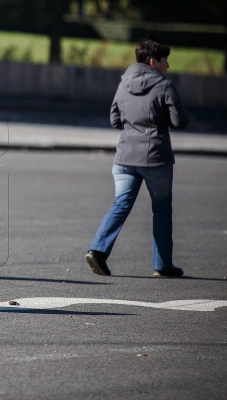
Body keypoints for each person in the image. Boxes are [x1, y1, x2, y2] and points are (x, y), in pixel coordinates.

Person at [85, 34, 188, 277]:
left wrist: (133, 129)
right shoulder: (164, 86)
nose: (168, 66)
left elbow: (114, 120)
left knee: (121, 204)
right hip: (156, 157)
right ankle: (162, 265)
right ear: (153, 62)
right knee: (161, 208)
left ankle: (97, 250)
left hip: (124, 157)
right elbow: (179, 121)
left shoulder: (123, 83)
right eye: (165, 60)